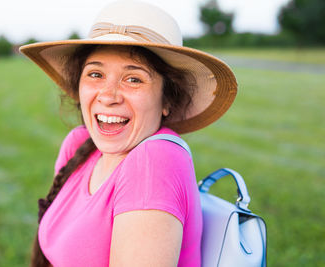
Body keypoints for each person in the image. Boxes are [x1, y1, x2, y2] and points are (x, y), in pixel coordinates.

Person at [20, 1, 237, 266]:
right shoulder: (79, 146)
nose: (108, 96)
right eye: (96, 74)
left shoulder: (154, 161)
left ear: (167, 100)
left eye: (133, 78)